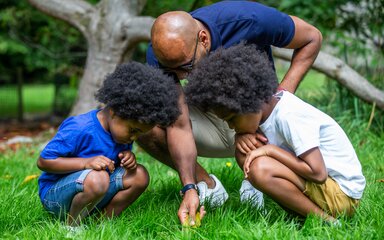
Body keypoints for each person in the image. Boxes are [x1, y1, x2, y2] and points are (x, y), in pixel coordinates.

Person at [140, 0, 323, 225]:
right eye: (172, 71)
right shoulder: (162, 56)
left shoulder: (247, 20)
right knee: (141, 119)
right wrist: (189, 187)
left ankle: (256, 176)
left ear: (203, 39)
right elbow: (179, 124)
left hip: (258, 119)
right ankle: (208, 187)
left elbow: (311, 37)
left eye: (185, 67)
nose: (182, 77)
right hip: (215, 118)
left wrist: (279, 100)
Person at [185, 42, 366, 223]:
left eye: (232, 119)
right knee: (244, 151)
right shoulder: (267, 112)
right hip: (326, 187)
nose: (231, 127)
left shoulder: (289, 115)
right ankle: (301, 215)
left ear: (251, 100)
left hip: (342, 195)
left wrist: (269, 151)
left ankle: (327, 221)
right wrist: (245, 137)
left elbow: (317, 173)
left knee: (260, 169)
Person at [37, 62, 182, 227]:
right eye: (133, 130)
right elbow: (44, 162)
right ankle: (72, 226)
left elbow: (115, 164)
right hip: (57, 197)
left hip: (95, 190)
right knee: (98, 178)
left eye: (140, 133)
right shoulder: (80, 128)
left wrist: (128, 159)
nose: (134, 137)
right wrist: (85, 163)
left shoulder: (120, 134)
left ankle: (101, 224)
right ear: (114, 111)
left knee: (140, 175)